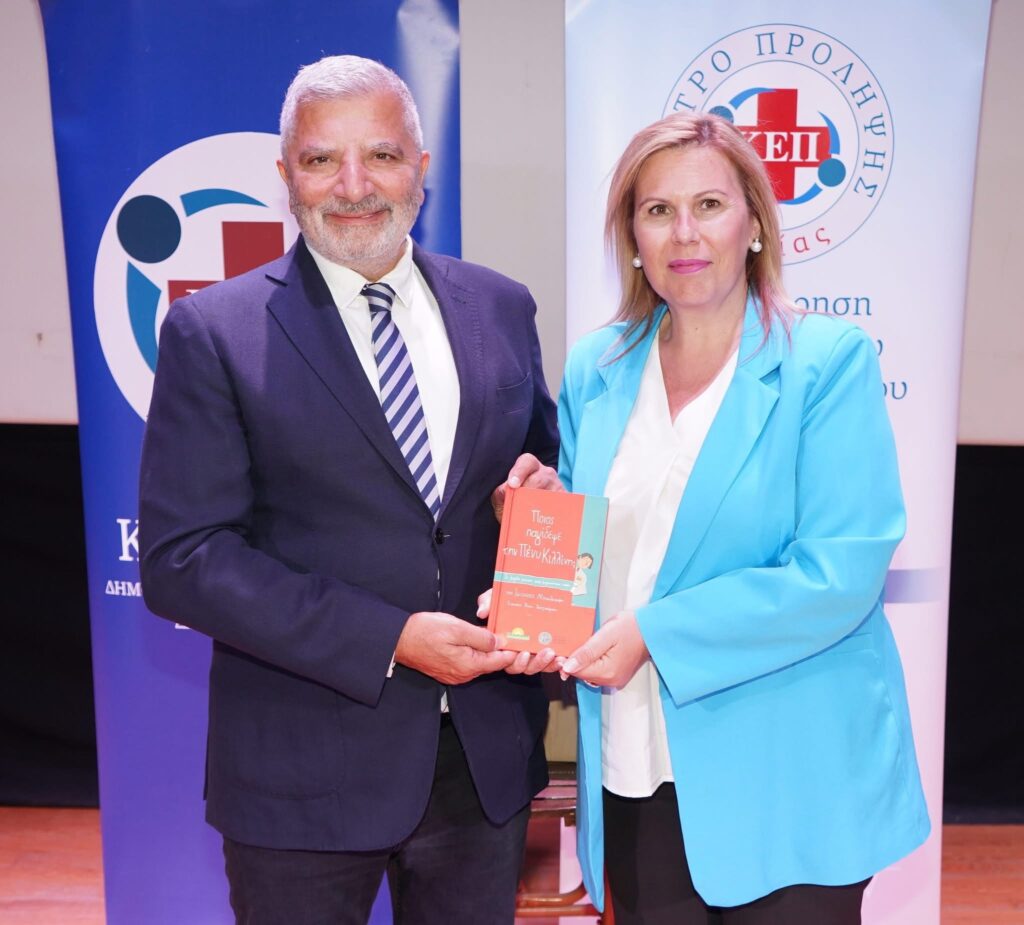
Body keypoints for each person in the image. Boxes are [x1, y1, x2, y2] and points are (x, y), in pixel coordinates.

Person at [138, 55, 560, 925]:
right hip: (300, 776)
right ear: (286, 176)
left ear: (421, 168)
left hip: (481, 767)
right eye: (322, 159)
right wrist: (391, 638)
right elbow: (184, 561)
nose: (355, 185)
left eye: (382, 155)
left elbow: (538, 467)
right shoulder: (213, 332)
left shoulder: (501, 306)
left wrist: (541, 489)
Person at [555, 112, 930, 923]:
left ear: (754, 224)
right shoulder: (596, 367)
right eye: (658, 210)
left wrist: (654, 632)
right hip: (636, 761)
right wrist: (533, 546)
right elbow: (589, 539)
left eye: (709, 206)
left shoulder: (826, 362)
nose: (685, 233)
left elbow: (837, 574)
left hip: (792, 776)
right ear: (632, 237)